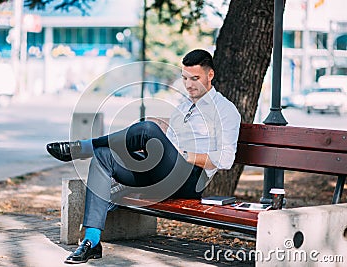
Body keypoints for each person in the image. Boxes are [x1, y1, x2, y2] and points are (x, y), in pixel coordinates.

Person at [46, 49, 241, 264]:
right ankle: (92, 242)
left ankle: (83, 147)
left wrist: (182, 154)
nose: (189, 85)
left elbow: (226, 159)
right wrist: (159, 138)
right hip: (161, 175)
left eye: (195, 79)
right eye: (185, 78)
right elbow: (171, 141)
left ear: (210, 75)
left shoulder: (225, 110)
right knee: (104, 155)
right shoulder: (184, 106)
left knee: (146, 129)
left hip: (191, 180)